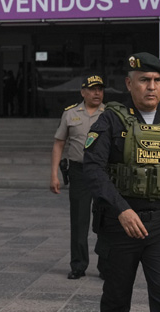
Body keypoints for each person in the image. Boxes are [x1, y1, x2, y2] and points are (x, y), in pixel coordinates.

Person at [83, 53, 160, 312]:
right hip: (120, 224)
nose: (151, 86)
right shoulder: (111, 119)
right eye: (144, 80)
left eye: (158, 80)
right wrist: (121, 209)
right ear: (128, 83)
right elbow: (93, 169)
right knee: (115, 299)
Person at [50, 75, 106, 280]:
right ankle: (78, 265)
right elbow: (59, 143)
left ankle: (106, 266)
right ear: (83, 92)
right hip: (79, 172)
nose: (97, 93)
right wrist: (53, 174)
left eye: (100, 89)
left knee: (105, 221)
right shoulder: (70, 114)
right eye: (92, 89)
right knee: (79, 220)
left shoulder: (110, 113)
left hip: (103, 173)